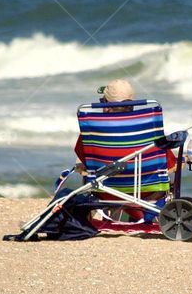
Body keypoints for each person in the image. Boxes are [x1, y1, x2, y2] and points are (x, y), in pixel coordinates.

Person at [74, 78, 176, 222]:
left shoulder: (93, 131)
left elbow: (85, 161)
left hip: (106, 194)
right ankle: (146, 217)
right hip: (146, 192)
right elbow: (170, 165)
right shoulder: (149, 127)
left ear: (106, 106)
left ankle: (111, 218)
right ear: (132, 105)